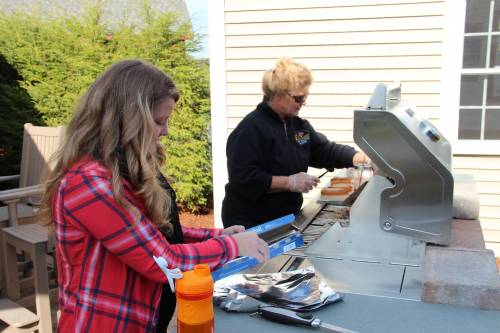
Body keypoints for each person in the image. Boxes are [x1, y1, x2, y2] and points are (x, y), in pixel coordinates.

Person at [41, 59, 269, 333]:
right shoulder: (88, 183)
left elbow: (150, 232)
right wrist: (233, 247)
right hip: (101, 323)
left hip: (139, 320)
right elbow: (162, 261)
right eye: (159, 121)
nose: (165, 131)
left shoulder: (121, 168)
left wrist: (218, 236)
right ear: (127, 120)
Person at [222, 57, 369, 229]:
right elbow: (245, 179)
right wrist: (289, 182)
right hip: (250, 224)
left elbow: (324, 151)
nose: (303, 103)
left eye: (305, 97)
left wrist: (363, 158)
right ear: (278, 94)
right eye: (298, 98)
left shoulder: (298, 128)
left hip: (285, 219)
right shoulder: (251, 130)